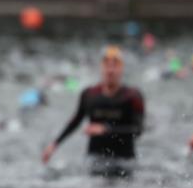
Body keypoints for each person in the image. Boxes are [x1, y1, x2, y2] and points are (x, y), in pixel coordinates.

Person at [42, 46, 145, 174]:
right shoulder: (89, 95)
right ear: (101, 67)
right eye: (107, 65)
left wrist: (105, 129)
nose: (110, 70)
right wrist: (54, 145)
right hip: (95, 160)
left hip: (124, 161)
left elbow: (138, 130)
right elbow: (75, 121)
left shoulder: (132, 96)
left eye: (115, 65)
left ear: (121, 68)